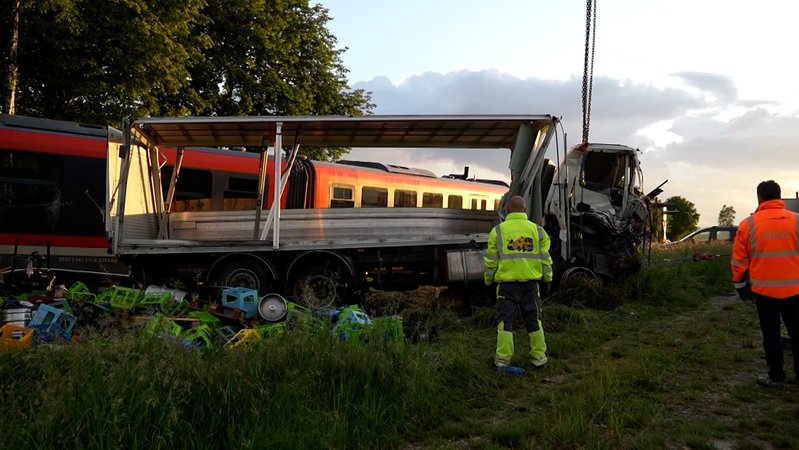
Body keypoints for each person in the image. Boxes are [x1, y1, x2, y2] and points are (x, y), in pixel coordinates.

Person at [732, 180, 799, 389]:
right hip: (795, 290)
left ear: (759, 198)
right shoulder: (797, 221)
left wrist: (740, 286)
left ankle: (776, 377)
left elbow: (739, 260)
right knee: (797, 332)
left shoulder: (748, 224)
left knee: (771, 334)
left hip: (764, 291)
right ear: (779, 197)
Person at [484, 195, 553, 369]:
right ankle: (539, 359)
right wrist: (548, 278)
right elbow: (546, 258)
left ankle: (502, 361)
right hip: (531, 285)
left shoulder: (498, 231)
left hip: (507, 287)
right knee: (534, 321)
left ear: (507, 209)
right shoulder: (538, 231)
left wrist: (488, 280)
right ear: (525, 210)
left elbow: (491, 261)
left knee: (505, 322)